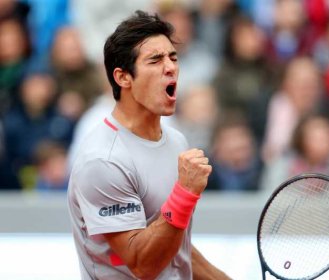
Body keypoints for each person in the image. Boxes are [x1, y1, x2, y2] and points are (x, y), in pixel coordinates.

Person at [67, 11, 230, 280]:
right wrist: (185, 192)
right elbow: (144, 264)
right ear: (122, 78)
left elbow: (175, 248)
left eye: (173, 57)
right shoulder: (103, 160)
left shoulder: (176, 140)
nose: (170, 67)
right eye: (155, 60)